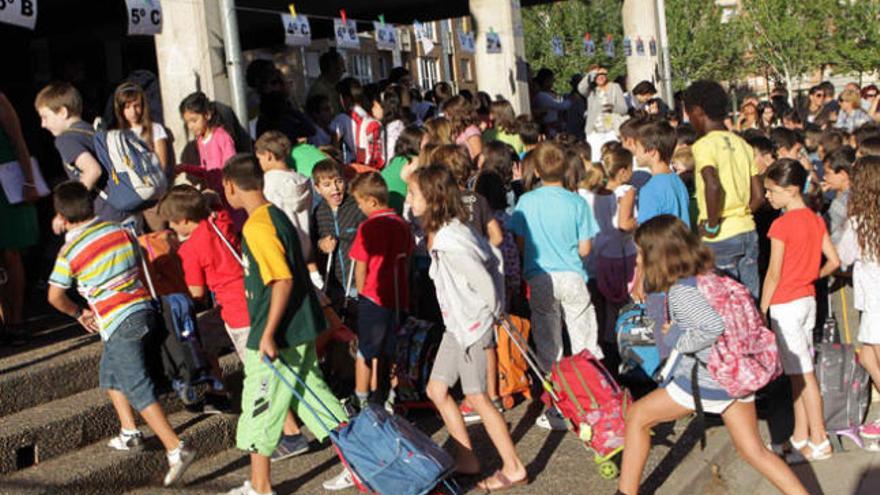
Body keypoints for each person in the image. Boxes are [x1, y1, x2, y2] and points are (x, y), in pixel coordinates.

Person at [617, 215, 808, 495]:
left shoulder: (682, 291)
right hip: (736, 375)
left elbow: (710, 327)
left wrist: (675, 337)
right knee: (754, 451)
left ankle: (626, 492)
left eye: (641, 252)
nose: (638, 258)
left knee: (637, 417)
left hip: (709, 380)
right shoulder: (709, 275)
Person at [46, 181, 196, 485]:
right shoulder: (121, 231)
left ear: (61, 215)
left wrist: (78, 313)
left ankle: (175, 447)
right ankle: (129, 432)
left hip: (117, 319)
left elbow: (54, 297)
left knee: (136, 384)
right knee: (110, 374)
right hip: (141, 308)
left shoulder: (69, 251)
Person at [219, 154, 348, 495]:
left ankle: (261, 486)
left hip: (278, 332)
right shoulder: (275, 215)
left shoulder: (258, 227)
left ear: (230, 186)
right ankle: (360, 461)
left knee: (260, 405)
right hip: (301, 324)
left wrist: (268, 333)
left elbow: (282, 280)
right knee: (316, 398)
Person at [409, 164, 529, 491]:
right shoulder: (452, 230)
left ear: (432, 198)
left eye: (414, 194)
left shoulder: (451, 239)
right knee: (437, 390)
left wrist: (495, 310)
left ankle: (513, 466)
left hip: (471, 327)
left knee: (478, 397)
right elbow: (493, 258)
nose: (409, 200)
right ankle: (467, 459)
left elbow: (483, 276)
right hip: (457, 326)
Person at [509, 142, 600, 430]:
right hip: (573, 275)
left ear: (535, 170)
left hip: (540, 277)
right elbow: (585, 249)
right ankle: (592, 402)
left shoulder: (526, 203)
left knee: (549, 344)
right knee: (585, 339)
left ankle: (558, 407)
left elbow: (521, 243)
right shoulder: (577, 202)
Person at [760, 159, 840, 462]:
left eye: (771, 190)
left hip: (785, 303)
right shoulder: (814, 218)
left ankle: (818, 438)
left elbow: (773, 273)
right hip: (807, 299)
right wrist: (810, 276)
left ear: (791, 190)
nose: (767, 196)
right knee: (799, 371)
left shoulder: (781, 225)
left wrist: (762, 308)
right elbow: (833, 261)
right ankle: (801, 437)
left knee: (802, 374)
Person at [683, 80, 764, 299]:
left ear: (698, 112)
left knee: (724, 307)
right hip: (747, 230)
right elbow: (759, 195)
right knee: (749, 302)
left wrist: (711, 225)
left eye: (689, 114)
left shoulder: (704, 145)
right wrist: (741, 213)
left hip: (720, 237)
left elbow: (713, 184)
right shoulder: (742, 144)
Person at [347, 172, 413, 412]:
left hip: (373, 296)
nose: (359, 207)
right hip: (398, 296)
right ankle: (391, 395)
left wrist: (361, 294)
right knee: (392, 348)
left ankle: (361, 395)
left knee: (366, 350)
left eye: (359, 202)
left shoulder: (367, 228)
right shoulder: (402, 225)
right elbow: (407, 260)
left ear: (371, 202)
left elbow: (360, 267)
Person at [36, 82, 129, 227]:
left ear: (62, 112)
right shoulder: (92, 131)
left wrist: (67, 211)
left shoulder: (65, 140)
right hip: (124, 209)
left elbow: (93, 170)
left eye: (45, 117)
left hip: (106, 216)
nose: (43, 124)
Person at [837, 157, 880, 437]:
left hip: (875, 298)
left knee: (874, 355)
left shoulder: (859, 222)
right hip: (874, 297)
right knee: (866, 356)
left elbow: (843, 257)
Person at [0, 91, 40, 345]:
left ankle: (15, 319)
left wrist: (29, 179)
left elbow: (17, 139)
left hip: (4, 183)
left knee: (9, 252)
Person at [113, 81, 172, 232]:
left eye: (136, 105)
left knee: (159, 234)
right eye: (127, 107)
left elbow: (162, 164)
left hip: (153, 193)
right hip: (131, 195)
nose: (133, 111)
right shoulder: (118, 135)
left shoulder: (155, 129)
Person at [179, 92, 240, 226]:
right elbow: (206, 171)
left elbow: (232, 167)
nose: (190, 126)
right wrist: (184, 168)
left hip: (230, 199)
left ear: (207, 115)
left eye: (194, 121)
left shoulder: (221, 137)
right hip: (216, 201)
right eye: (187, 122)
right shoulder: (200, 141)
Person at [310, 160, 366, 299]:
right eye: (327, 185)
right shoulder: (318, 212)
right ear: (317, 189)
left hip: (358, 281)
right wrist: (321, 245)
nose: (335, 188)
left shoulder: (357, 206)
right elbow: (314, 242)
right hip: (334, 283)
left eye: (339, 181)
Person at [254, 131, 312, 263]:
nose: (259, 163)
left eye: (259, 159)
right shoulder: (303, 181)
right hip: (305, 250)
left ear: (268, 156)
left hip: (282, 251)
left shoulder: (268, 183)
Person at [431, 144, 504, 247]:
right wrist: (481, 252)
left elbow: (432, 243)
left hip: (451, 260)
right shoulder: (479, 199)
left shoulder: (441, 200)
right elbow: (497, 237)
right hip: (476, 260)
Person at [633, 120, 691, 226]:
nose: (635, 153)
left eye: (637, 148)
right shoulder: (677, 180)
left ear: (651, 151)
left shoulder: (650, 189)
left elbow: (647, 234)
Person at [382, 125, 424, 215]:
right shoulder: (415, 162)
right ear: (416, 143)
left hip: (385, 206)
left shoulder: (398, 159)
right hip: (397, 210)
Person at [578, 66, 628, 139]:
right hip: (594, 131)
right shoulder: (591, 90)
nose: (600, 77)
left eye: (603, 74)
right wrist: (592, 72)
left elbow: (624, 109)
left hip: (612, 130)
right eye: (597, 75)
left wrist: (612, 108)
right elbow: (581, 88)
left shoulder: (615, 87)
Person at [532, 68, 571, 137]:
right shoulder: (541, 96)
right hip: (549, 130)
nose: (553, 81)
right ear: (546, 80)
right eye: (551, 79)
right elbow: (561, 106)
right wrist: (572, 100)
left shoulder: (548, 94)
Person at [443, 95, 482, 160]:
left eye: (448, 114)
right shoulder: (455, 130)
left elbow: (478, 156)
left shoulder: (471, 131)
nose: (446, 117)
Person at [307, 50, 345, 116]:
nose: (344, 70)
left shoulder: (335, 87)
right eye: (341, 65)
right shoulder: (319, 90)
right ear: (332, 68)